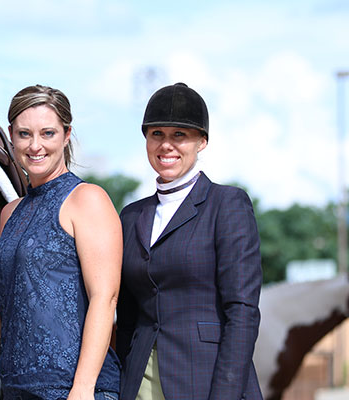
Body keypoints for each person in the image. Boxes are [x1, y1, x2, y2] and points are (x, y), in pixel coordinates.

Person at [0, 84, 122, 399]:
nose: (35, 146)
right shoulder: (9, 213)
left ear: (67, 135)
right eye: (24, 134)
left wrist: (83, 388)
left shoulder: (87, 200)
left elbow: (105, 298)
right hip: (14, 388)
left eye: (47, 133)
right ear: (10, 136)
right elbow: (18, 305)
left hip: (74, 389)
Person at [116, 83, 263, 400]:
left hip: (207, 379)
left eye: (179, 135)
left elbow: (243, 312)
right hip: (138, 383)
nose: (166, 145)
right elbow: (126, 317)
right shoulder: (130, 216)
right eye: (157, 134)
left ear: (202, 141)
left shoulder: (227, 204)